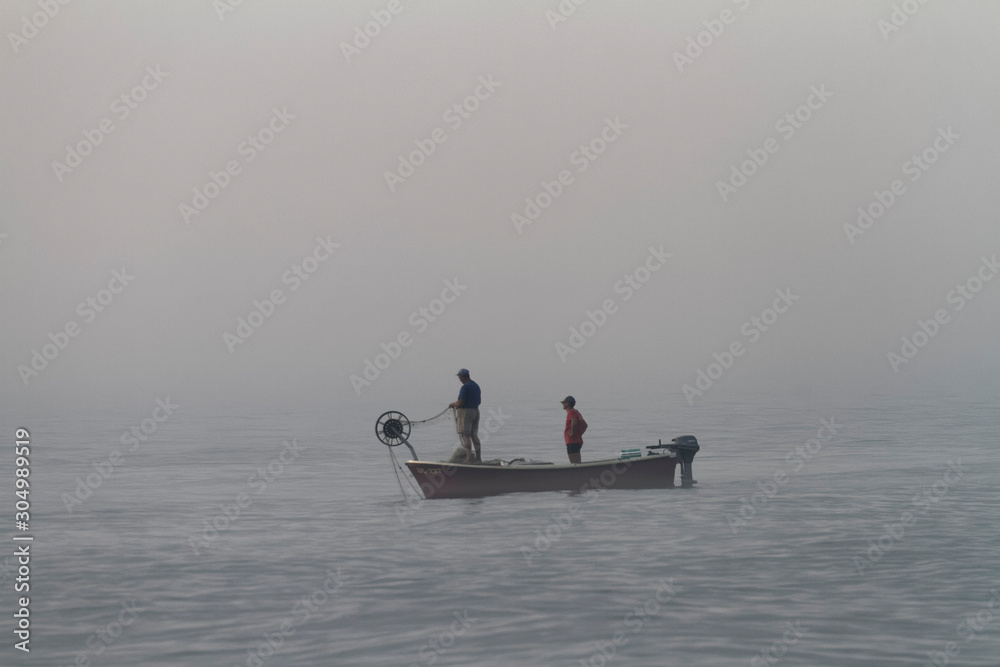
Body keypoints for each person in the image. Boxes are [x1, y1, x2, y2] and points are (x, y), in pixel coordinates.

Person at [448, 369, 481, 463]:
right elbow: (479, 401)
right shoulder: (476, 385)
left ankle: (469, 459)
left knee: (465, 435)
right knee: (474, 435)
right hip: (476, 411)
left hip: (465, 412)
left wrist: (453, 404)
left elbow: (460, 402)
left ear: (463, 376)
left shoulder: (465, 387)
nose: (459, 378)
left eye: (459, 376)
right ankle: (478, 459)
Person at [561, 396, 587, 463]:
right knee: (577, 462)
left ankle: (577, 473)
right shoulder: (576, 412)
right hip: (576, 441)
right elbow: (585, 425)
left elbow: (574, 422)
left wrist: (572, 433)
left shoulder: (571, 412)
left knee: (575, 463)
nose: (562, 404)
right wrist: (579, 434)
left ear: (568, 404)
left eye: (564, 402)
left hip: (572, 441)